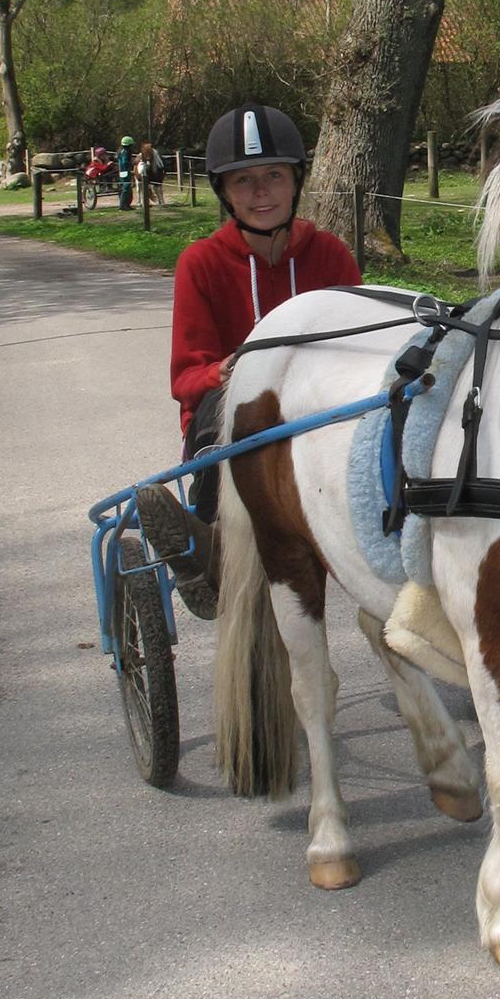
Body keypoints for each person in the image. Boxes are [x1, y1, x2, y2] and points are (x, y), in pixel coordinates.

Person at [134, 103, 362, 618]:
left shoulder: (330, 255)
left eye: (274, 176)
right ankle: (213, 544)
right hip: (232, 421)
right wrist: (228, 370)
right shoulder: (202, 263)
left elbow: (363, 349)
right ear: (224, 191)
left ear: (296, 181)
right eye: (243, 181)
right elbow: (187, 379)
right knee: (225, 411)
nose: (261, 193)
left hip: (316, 411)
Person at [137, 140, 165, 206]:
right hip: (144, 164)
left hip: (153, 165)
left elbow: (158, 161)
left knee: (158, 186)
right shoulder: (142, 154)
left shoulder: (155, 153)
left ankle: (161, 200)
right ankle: (140, 201)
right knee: (140, 185)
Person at [117, 135, 136, 209]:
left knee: (127, 189)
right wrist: (132, 163)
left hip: (123, 171)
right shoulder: (125, 152)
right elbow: (125, 162)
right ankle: (122, 206)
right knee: (126, 189)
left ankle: (127, 205)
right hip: (125, 172)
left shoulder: (121, 151)